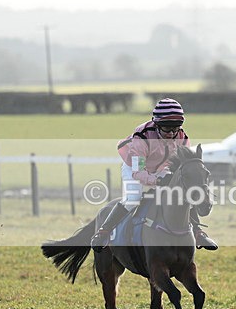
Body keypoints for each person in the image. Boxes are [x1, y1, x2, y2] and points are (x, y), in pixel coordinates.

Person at [90, 97, 218, 251]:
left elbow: (181, 165)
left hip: (161, 168)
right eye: (167, 129)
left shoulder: (182, 137)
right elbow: (139, 172)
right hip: (135, 167)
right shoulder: (142, 136)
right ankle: (103, 232)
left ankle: (198, 233)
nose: (172, 133)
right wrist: (156, 181)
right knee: (133, 198)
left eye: (175, 128)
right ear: (157, 125)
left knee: (181, 193)